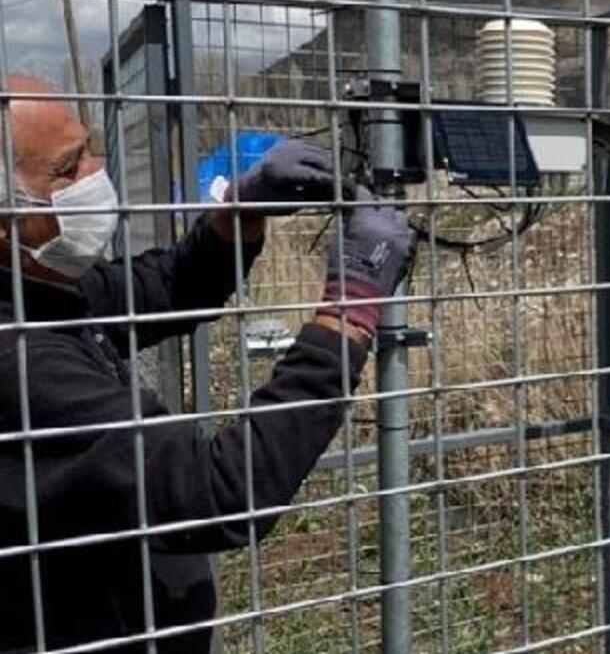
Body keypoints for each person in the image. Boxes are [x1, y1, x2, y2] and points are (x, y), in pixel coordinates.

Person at [0, 76, 412, 653]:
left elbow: (158, 286)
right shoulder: (21, 363)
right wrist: (347, 313)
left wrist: (235, 215)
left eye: (90, 148)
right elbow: (222, 491)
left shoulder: (32, 293)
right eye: (68, 170)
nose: (96, 172)